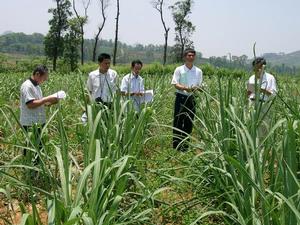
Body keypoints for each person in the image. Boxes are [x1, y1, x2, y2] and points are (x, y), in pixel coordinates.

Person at [20, 65, 58, 163]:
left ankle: (36, 168)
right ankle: (27, 168)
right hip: (30, 123)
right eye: (44, 78)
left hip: (38, 121)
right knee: (29, 147)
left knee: (39, 147)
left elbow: (39, 102)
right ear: (37, 74)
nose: (44, 80)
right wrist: (46, 99)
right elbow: (30, 104)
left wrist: (51, 102)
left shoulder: (36, 86)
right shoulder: (27, 86)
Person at [171, 48, 203, 151]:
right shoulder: (179, 69)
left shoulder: (198, 71)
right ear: (185, 57)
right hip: (181, 98)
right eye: (189, 55)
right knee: (178, 121)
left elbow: (200, 85)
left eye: (193, 55)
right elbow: (175, 84)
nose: (191, 57)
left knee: (189, 122)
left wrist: (197, 89)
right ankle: (176, 146)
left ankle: (185, 146)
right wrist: (186, 88)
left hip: (192, 99)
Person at [247, 57, 277, 139]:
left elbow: (273, 94)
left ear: (264, 67)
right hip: (252, 104)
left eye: (259, 67)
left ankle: (263, 150)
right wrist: (250, 91)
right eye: (255, 67)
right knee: (251, 127)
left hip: (264, 105)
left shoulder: (270, 78)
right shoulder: (251, 78)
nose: (257, 69)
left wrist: (262, 89)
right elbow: (248, 94)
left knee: (264, 130)